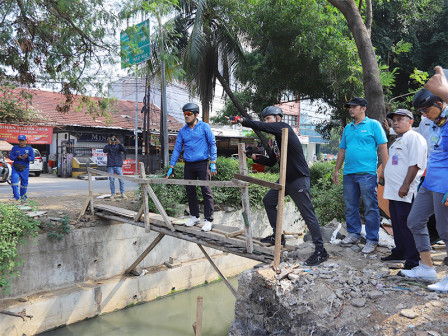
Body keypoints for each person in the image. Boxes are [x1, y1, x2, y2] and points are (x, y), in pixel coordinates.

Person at [229, 106, 328, 266]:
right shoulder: (279, 139)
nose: (266, 122)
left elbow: (262, 126)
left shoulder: (284, 128)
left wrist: (242, 121)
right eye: (265, 119)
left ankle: (320, 251)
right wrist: (254, 156)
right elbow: (272, 161)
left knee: (307, 213)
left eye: (269, 119)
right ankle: (278, 236)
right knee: (268, 200)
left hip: (298, 178)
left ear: (278, 118)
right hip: (285, 180)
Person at [399, 76, 448, 292]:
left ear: (440, 103)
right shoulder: (436, 124)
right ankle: (427, 267)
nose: (424, 115)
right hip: (429, 183)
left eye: (426, 110)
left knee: (445, 231)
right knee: (415, 220)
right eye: (421, 112)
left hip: (445, 186)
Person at [333, 97, 388, 254]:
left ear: (363, 108)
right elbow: (342, 150)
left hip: (368, 173)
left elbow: (383, 148)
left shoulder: (374, 125)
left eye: (354, 107)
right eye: (349, 107)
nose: (351, 109)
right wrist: (337, 169)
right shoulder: (348, 128)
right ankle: (354, 234)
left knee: (371, 206)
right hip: (349, 173)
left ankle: (371, 240)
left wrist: (386, 169)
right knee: (350, 206)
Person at [381, 109, 427, 270]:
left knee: (407, 225)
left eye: (400, 119)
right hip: (394, 191)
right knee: (397, 225)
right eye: (394, 120)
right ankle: (399, 251)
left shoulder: (414, 138)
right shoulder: (400, 139)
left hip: (405, 191)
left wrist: (406, 184)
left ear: (410, 121)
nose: (396, 122)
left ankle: (412, 260)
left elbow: (415, 164)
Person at [167, 103, 217, 232]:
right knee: (190, 190)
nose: (186, 116)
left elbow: (212, 144)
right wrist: (171, 165)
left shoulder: (204, 127)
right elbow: (177, 149)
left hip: (202, 163)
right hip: (188, 164)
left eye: (189, 113)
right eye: (184, 114)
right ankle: (194, 216)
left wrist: (213, 161)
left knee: (206, 190)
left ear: (196, 114)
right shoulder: (183, 131)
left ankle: (208, 220)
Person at [9, 135, 35, 201]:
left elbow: (32, 158)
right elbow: (11, 157)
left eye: (22, 140)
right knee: (13, 182)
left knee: (24, 184)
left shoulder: (30, 149)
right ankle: (16, 197)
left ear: (26, 141)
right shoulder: (14, 148)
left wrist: (27, 157)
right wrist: (17, 157)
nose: (21, 142)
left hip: (25, 168)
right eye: (20, 140)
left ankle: (23, 198)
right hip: (15, 168)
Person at [103, 136, 127, 200]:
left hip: (118, 165)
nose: (113, 140)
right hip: (111, 165)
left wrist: (119, 143)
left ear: (116, 139)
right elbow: (104, 151)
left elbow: (124, 150)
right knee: (111, 181)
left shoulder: (119, 146)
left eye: (114, 139)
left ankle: (122, 193)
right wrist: (109, 144)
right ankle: (113, 194)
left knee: (121, 180)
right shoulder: (108, 146)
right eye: (112, 139)